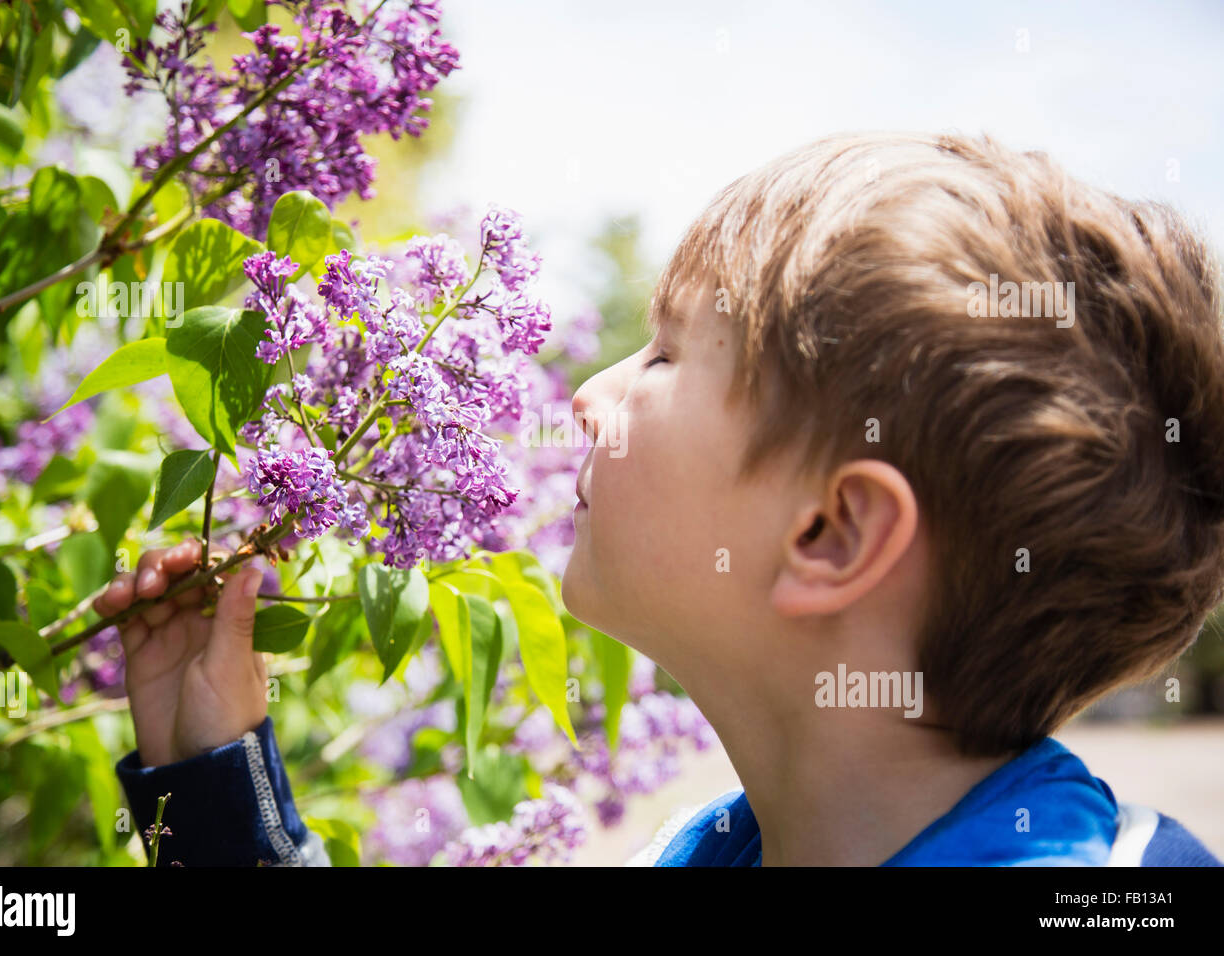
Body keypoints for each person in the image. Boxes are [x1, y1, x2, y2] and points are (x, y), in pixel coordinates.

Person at [102, 131, 1224, 866]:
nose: (585, 397)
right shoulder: (711, 849)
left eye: (662, 354)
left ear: (827, 532)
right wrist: (214, 792)